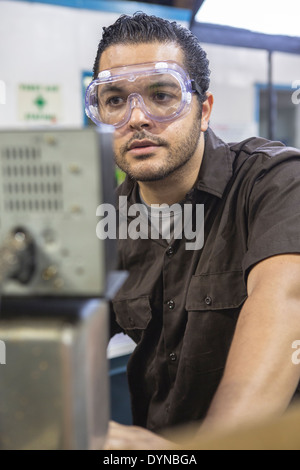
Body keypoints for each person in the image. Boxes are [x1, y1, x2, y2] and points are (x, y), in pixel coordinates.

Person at [86, 12, 300, 449]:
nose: (137, 118)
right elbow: (62, 334)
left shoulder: (275, 183)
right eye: (114, 100)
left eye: (161, 95)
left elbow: (288, 298)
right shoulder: (106, 219)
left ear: (203, 111)